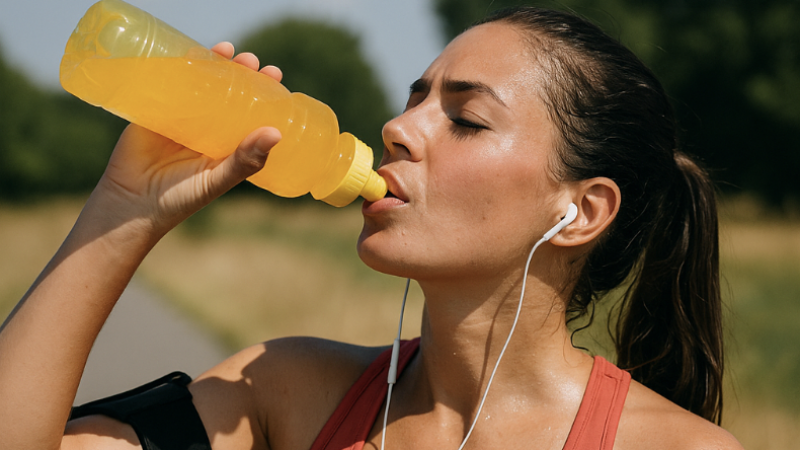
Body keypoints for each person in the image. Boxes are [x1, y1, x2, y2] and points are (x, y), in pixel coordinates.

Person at [0, 6, 743, 450]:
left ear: (580, 210)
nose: (398, 127)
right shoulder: (288, 391)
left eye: (466, 118)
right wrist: (125, 208)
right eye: (415, 99)